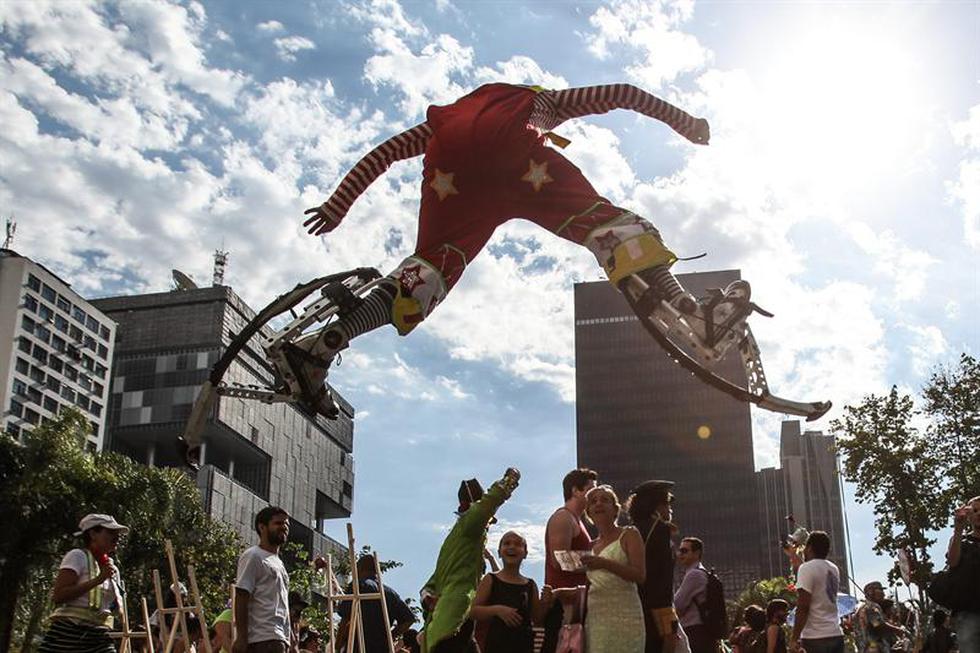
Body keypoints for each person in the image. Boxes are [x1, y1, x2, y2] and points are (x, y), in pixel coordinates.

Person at [279, 82, 751, 418]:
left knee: (428, 269)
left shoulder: (444, 120)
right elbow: (623, 94)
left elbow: (383, 154)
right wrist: (685, 123)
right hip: (519, 158)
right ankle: (693, 316)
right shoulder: (541, 102)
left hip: (454, 177)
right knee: (610, 226)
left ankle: (321, 345)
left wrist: (337, 205)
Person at [419, 469, 520, 653]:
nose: (488, 524)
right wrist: (509, 481)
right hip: (455, 618)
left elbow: (429, 586)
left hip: (446, 623)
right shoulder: (470, 526)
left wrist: (428, 598)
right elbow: (487, 504)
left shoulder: (453, 543)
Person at [38, 513, 129, 653]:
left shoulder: (112, 568)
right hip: (69, 633)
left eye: (117, 533)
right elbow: (59, 595)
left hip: (99, 635)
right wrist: (98, 580)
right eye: (110, 532)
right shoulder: (77, 556)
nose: (117, 537)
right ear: (93, 534)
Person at [580, 485, 646, 652]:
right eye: (593, 502)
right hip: (596, 618)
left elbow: (639, 575)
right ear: (589, 513)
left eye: (605, 500)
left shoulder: (629, 534)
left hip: (626, 615)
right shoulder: (590, 545)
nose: (598, 504)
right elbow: (592, 584)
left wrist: (604, 563)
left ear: (615, 510)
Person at [541, 468, 597, 653]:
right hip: (562, 609)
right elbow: (560, 560)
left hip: (576, 606)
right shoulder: (562, 517)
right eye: (591, 489)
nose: (595, 495)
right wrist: (601, 562)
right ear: (575, 490)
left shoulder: (578, 521)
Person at [470, 531, 550, 653]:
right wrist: (497, 610)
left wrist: (545, 602)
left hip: (523, 646)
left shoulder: (530, 584)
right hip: (495, 645)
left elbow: (537, 619)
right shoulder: (491, 579)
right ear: (499, 552)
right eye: (507, 543)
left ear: (525, 553)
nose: (512, 547)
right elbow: (473, 611)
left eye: (518, 544)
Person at [629, 480, 680, 653]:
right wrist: (670, 625)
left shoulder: (630, 531)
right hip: (657, 609)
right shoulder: (660, 530)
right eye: (666, 503)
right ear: (655, 506)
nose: (670, 509)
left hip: (633, 608)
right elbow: (663, 579)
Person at [234, 506, 291, 653]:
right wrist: (241, 637)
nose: (284, 527)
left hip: (278, 639)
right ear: (262, 527)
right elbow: (241, 595)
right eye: (278, 523)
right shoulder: (253, 556)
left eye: (286, 524)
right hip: (260, 640)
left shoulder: (279, 562)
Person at [336, 553, 417, 653]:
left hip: (358, 646)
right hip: (381, 648)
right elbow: (408, 619)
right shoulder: (390, 593)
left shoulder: (357, 585)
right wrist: (390, 636)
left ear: (360, 568)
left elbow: (345, 619)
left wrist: (337, 647)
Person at [789, 531, 844, 653]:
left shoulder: (806, 568)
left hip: (815, 637)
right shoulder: (833, 568)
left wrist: (794, 638)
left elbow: (803, 606)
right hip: (835, 633)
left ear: (809, 548)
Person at [945, 496, 980, 653]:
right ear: (969, 516)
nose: (979, 514)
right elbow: (952, 561)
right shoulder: (961, 540)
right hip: (968, 612)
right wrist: (958, 529)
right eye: (975, 510)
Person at [673, 537, 717, 653]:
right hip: (701, 632)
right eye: (680, 550)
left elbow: (677, 605)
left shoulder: (694, 575)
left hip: (695, 631)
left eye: (684, 551)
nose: (680, 554)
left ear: (697, 553)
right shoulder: (701, 572)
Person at [854, 581, 906, 653]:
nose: (883, 594)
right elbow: (878, 625)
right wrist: (897, 630)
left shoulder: (862, 607)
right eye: (880, 590)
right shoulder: (870, 607)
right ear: (870, 592)